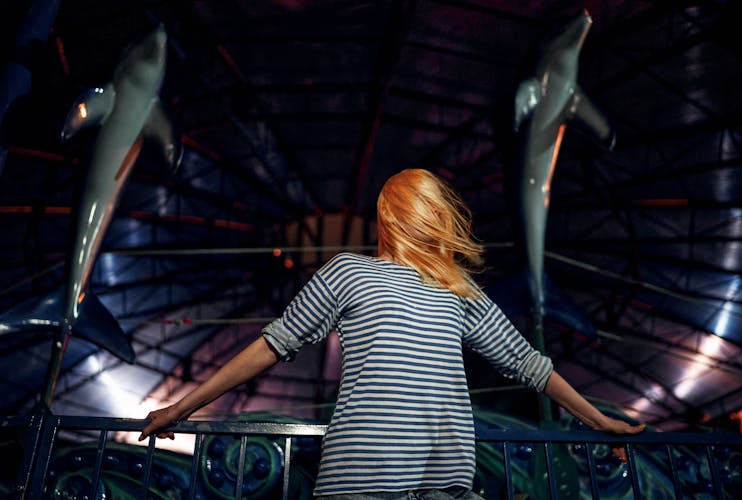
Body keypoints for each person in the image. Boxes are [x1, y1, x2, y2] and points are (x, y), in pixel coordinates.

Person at [140, 168, 644, 499]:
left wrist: (598, 420)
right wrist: (182, 408)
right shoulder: (349, 273)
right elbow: (272, 344)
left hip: (438, 487)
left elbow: (527, 363)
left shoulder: (457, 288)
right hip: (360, 486)